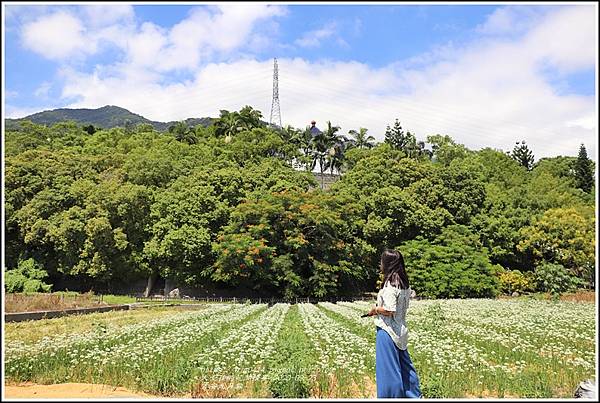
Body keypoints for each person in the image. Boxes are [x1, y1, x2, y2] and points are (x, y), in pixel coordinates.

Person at [367, 248, 422, 398]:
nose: (380, 264)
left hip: (387, 331)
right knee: (406, 369)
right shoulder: (404, 284)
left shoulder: (390, 285)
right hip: (401, 331)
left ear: (388, 263)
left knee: (388, 371)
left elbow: (390, 310)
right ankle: (414, 396)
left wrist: (375, 309)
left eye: (382, 261)